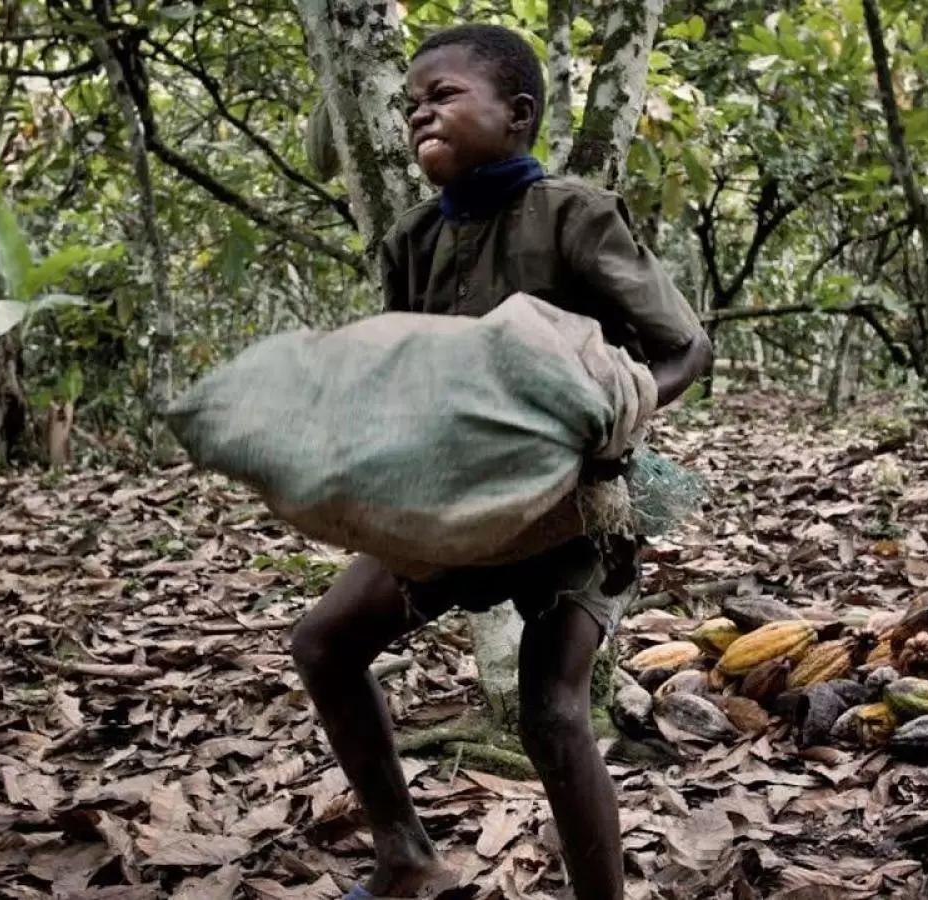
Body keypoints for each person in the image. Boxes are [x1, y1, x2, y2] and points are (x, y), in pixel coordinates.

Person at [288, 22, 713, 900]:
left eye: (442, 96)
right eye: (410, 105)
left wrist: (611, 414)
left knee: (552, 714)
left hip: (573, 511)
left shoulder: (572, 214)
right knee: (326, 643)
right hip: (461, 506)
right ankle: (404, 858)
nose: (418, 116)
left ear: (517, 115)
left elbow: (686, 348)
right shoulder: (411, 239)